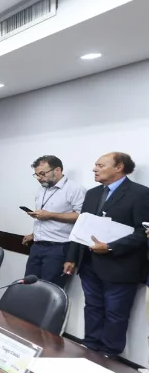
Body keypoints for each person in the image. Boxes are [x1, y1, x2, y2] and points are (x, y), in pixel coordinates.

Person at [64, 152, 149, 356]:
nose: (94, 169)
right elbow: (81, 226)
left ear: (119, 167)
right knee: (92, 307)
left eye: (101, 165)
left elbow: (143, 232)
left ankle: (109, 353)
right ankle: (90, 345)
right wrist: (72, 257)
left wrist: (110, 246)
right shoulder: (92, 193)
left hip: (121, 266)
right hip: (89, 263)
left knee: (115, 312)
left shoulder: (140, 193)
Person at [22, 156, 85, 287]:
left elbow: (81, 217)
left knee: (49, 289)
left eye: (42, 173)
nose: (39, 178)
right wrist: (33, 234)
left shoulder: (74, 189)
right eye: (36, 175)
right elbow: (44, 217)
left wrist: (50, 215)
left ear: (57, 170)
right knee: (28, 286)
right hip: (37, 246)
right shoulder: (42, 189)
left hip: (58, 248)